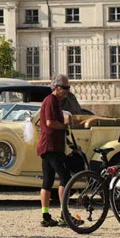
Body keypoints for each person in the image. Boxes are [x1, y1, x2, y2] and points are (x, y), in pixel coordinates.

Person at [38, 75, 72, 227]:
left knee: (48, 180)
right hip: (51, 146)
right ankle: (64, 213)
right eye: (65, 88)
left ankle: (45, 215)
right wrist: (65, 127)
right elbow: (49, 122)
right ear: (57, 87)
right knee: (65, 176)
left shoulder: (55, 101)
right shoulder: (51, 100)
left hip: (48, 145)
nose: (67, 91)